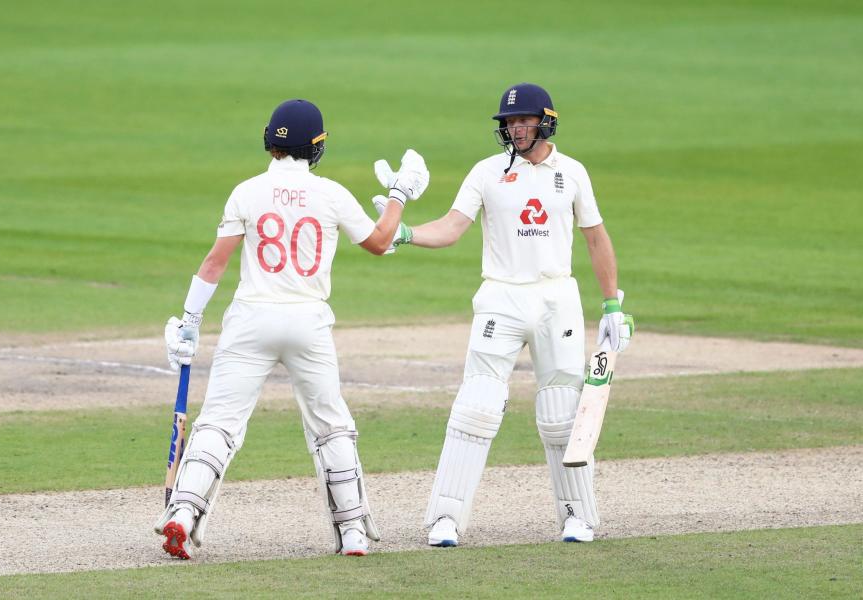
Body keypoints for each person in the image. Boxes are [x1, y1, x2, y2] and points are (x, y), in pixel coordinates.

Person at [154, 99, 429, 559]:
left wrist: (190, 321)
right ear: (316, 147)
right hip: (308, 321)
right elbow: (382, 242)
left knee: (219, 422)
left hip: (250, 319)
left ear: (270, 140)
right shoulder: (331, 194)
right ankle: (353, 533)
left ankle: (182, 513)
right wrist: (399, 195)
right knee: (330, 426)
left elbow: (214, 262)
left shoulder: (246, 191)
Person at [383, 83, 633, 546]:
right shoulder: (486, 172)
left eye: (523, 120)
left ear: (546, 122)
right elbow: (453, 226)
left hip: (557, 296)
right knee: (476, 406)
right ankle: (446, 519)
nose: (515, 128)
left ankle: (577, 517)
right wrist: (406, 233)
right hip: (501, 295)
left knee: (561, 412)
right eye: (509, 122)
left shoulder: (572, 172)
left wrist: (612, 304)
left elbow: (596, 238)